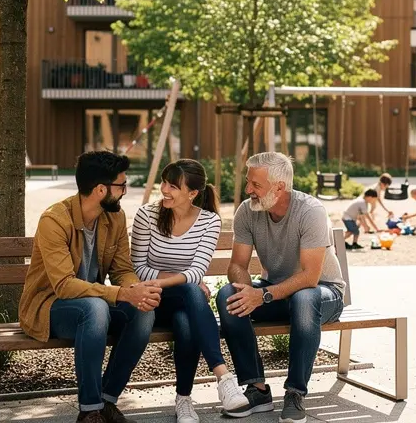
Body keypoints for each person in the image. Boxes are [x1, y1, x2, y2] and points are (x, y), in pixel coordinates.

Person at [19, 150, 163, 423]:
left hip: (93, 305)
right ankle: (89, 411)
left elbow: (122, 270)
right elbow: (63, 286)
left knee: (143, 311)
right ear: (100, 189)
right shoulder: (54, 220)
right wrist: (121, 293)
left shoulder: (115, 218)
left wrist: (137, 292)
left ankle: (106, 401)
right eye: (121, 185)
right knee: (95, 308)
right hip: (50, 306)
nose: (124, 191)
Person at [216, 152, 346, 423]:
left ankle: (295, 393)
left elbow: (311, 277)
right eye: (248, 182)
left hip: (323, 293)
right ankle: (258, 389)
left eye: (255, 185)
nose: (248, 190)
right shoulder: (247, 211)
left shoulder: (310, 211)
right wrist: (245, 288)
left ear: (279, 187)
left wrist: (261, 295)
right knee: (228, 295)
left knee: (304, 298)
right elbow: (237, 264)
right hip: (276, 292)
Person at [129, 159, 249, 423]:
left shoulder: (209, 221)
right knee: (192, 292)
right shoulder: (146, 215)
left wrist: (181, 281)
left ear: (193, 193)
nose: (165, 190)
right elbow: (137, 267)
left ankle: (184, 401)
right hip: (149, 300)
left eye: (173, 186)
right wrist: (177, 280)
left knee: (186, 321)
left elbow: (197, 272)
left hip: (184, 304)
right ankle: (223, 378)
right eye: (164, 183)